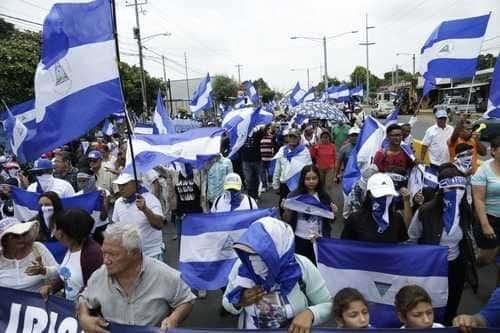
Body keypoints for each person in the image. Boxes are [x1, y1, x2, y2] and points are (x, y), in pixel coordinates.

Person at [77, 223, 196, 331]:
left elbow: (186, 300)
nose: (106, 260)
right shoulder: (99, 276)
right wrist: (84, 316)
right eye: (104, 253)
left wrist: (173, 319)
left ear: (134, 253)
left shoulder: (164, 275)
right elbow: (84, 298)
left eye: (113, 254)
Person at [222, 216, 332, 331]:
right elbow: (226, 301)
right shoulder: (242, 266)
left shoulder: (302, 267)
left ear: (280, 250)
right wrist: (239, 301)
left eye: (260, 255)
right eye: (248, 253)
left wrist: (310, 314)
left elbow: (328, 305)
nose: (252, 260)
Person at [408, 165, 476, 325]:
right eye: (452, 188)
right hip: (431, 265)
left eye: (460, 188)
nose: (457, 192)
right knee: (427, 300)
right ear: (442, 188)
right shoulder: (426, 211)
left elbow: (468, 235)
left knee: (452, 300)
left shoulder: (465, 211)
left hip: (456, 265)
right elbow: (413, 238)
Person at [40, 209, 103, 301]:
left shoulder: (93, 254)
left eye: (54, 227)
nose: (53, 232)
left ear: (62, 233)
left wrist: (80, 305)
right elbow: (67, 276)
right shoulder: (70, 247)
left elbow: (94, 287)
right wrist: (52, 287)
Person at [282, 165, 336, 264]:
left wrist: (333, 212)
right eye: (308, 179)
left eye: (314, 178)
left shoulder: (324, 196)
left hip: (319, 240)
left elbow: (331, 220)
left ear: (319, 179)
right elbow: (286, 220)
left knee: (317, 267)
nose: (311, 181)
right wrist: (287, 210)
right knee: (301, 267)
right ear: (302, 179)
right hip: (299, 238)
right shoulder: (293, 196)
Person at [341, 173, 408, 243]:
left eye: (388, 195)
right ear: (370, 194)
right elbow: (345, 246)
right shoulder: (355, 219)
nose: (384, 198)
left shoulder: (397, 219)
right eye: (380, 195)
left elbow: (402, 246)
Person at [112, 173, 164, 260]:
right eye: (119, 185)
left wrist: (145, 209)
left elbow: (159, 225)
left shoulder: (150, 199)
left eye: (124, 185)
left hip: (151, 254)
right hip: (130, 256)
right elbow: (116, 227)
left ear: (136, 184)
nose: (121, 188)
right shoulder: (118, 202)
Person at [0, 218, 58, 292]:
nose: (21, 238)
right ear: (4, 241)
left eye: (23, 234)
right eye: (15, 236)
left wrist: (44, 270)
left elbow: (59, 273)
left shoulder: (37, 248)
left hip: (37, 302)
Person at [471, 136, 500, 285]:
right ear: (493, 151)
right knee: (487, 258)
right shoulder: (484, 170)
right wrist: (485, 225)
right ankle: (469, 270)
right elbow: (479, 199)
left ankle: (498, 292)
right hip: (491, 220)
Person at [272, 128, 312, 211]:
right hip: (284, 185)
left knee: (297, 209)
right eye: (290, 136)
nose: (292, 139)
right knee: (283, 207)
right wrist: (275, 184)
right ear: (287, 138)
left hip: (299, 185)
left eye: (295, 137)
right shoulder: (282, 150)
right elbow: (277, 168)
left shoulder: (304, 151)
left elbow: (309, 170)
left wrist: (309, 185)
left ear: (299, 139)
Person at [240, 128, 265, 199]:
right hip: (246, 160)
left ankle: (255, 194)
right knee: (248, 179)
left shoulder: (257, 133)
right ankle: (250, 195)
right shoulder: (242, 135)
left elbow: (263, 130)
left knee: (256, 178)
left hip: (256, 160)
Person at [309, 130, 336, 197]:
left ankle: (327, 200)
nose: (325, 139)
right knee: (320, 185)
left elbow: (335, 157)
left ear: (329, 138)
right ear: (320, 138)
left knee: (328, 185)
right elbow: (312, 156)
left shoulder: (332, 146)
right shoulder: (317, 146)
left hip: (330, 169)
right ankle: (320, 198)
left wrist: (335, 169)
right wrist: (312, 148)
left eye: (326, 137)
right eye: (323, 137)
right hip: (319, 169)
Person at [260, 125, 275, 191]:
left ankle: (270, 182)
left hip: (270, 158)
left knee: (270, 172)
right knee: (262, 172)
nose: (269, 130)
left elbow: (274, 146)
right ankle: (264, 186)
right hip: (262, 158)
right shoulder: (259, 138)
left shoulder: (272, 137)